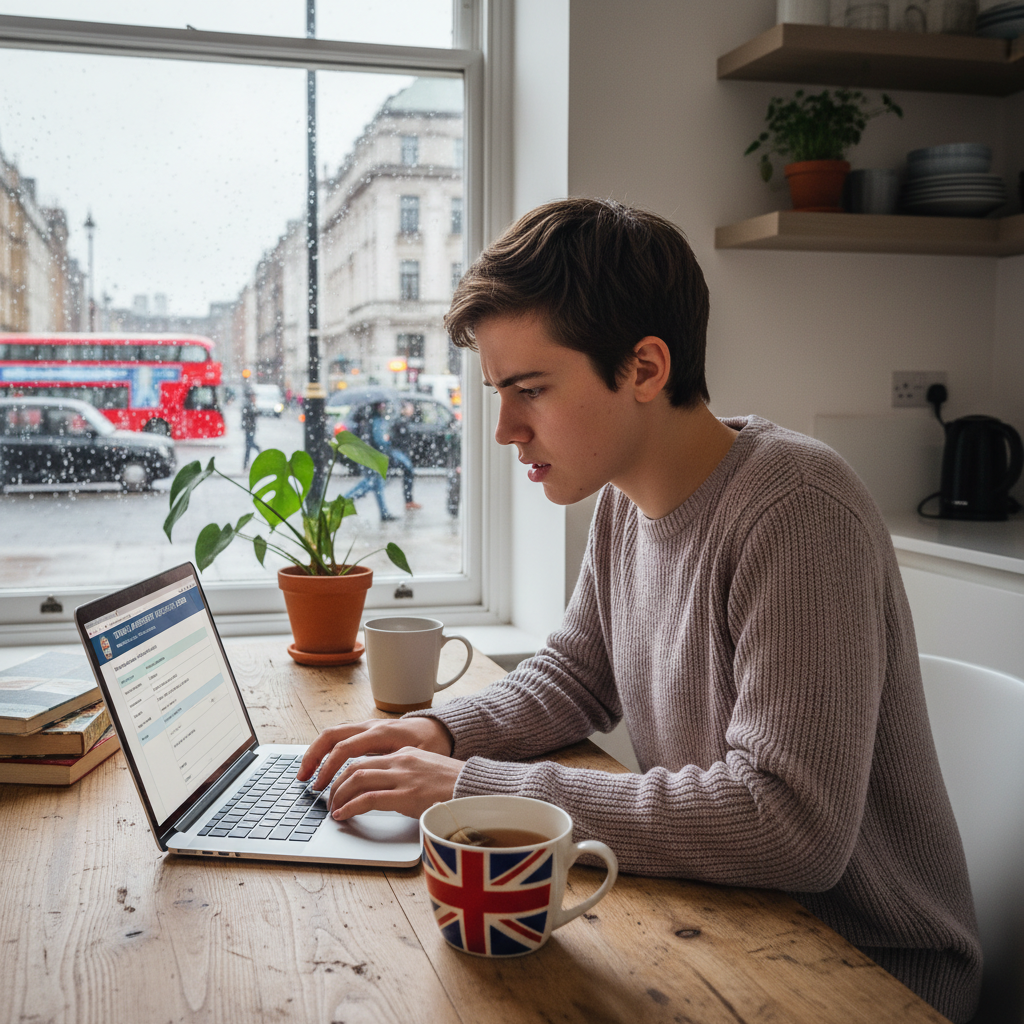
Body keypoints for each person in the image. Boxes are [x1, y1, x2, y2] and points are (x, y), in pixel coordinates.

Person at [296, 198, 982, 1022]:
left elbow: (788, 824)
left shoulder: (798, 509)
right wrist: (439, 734)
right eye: (497, 392)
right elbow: (575, 677)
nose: (507, 428)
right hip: (733, 925)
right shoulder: (627, 501)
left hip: (865, 970)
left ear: (645, 369)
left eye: (532, 389)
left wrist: (470, 787)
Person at [343, 401, 397, 522]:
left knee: (377, 484)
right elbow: (379, 441)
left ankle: (384, 512)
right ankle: (343, 501)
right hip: (372, 457)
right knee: (370, 483)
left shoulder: (369, 418)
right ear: (378, 406)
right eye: (382, 405)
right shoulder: (377, 420)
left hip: (367, 455)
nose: (384, 407)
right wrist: (388, 441)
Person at [241, 385, 260, 470]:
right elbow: (252, 415)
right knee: (249, 445)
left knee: (248, 446)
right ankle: (259, 450)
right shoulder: (249, 405)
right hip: (249, 429)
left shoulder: (249, 404)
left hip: (250, 428)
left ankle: (245, 464)